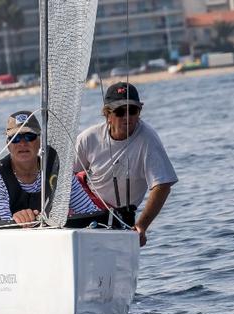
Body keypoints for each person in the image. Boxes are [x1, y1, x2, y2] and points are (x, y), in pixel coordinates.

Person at [74, 82, 177, 246]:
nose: (127, 117)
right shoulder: (88, 138)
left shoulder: (148, 139)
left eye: (132, 111)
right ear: (108, 115)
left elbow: (162, 185)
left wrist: (141, 226)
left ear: (139, 113)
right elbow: (62, 178)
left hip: (120, 216)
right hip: (84, 203)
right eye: (120, 112)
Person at [0, 111, 100, 225]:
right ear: (8, 144)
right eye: (15, 138)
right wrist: (17, 218)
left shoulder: (58, 171)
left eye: (29, 136)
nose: (22, 143)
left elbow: (88, 211)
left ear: (40, 140)